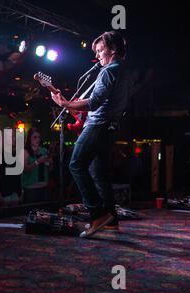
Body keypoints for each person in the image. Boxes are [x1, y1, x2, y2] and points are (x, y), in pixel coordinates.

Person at [51, 31, 129, 238]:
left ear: (112, 49)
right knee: (98, 173)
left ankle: (97, 214)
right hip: (111, 127)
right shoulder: (124, 71)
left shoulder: (108, 71)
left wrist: (65, 103)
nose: (97, 55)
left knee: (76, 164)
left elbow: (94, 103)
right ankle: (111, 218)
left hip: (98, 125)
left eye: (100, 50)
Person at [21, 127, 52, 203]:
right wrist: (37, 161)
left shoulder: (44, 150)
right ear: (29, 138)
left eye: (39, 137)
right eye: (35, 137)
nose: (37, 139)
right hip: (31, 188)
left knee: (44, 212)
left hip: (44, 186)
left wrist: (50, 163)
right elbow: (25, 169)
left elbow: (50, 170)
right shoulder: (25, 152)